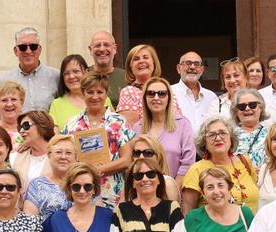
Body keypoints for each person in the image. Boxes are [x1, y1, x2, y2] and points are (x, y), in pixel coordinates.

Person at [62, 72, 134, 210]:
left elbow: (127, 159)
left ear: (106, 94)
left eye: (100, 92)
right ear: (82, 94)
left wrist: (99, 170)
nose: (95, 97)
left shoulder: (118, 121)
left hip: (113, 193)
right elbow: (64, 158)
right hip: (79, 191)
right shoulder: (71, 124)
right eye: (90, 92)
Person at [182, 116, 259, 213]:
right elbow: (188, 212)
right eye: (212, 135)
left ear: (231, 138)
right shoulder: (196, 169)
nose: (218, 138)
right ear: (204, 142)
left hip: (252, 226)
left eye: (223, 133)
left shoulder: (244, 161)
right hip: (213, 227)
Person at [133, 77, 196, 178]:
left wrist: (173, 189)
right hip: (145, 188)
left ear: (169, 98)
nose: (156, 98)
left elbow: (187, 163)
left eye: (162, 94)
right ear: (145, 98)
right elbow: (134, 164)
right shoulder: (137, 128)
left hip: (176, 189)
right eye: (151, 93)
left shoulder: (183, 124)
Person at [116, 44, 182, 126]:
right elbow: (130, 130)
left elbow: (179, 123)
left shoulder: (167, 91)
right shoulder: (129, 92)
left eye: (145, 57)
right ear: (130, 67)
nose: (141, 61)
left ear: (154, 62)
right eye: (136, 59)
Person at [0, 27, 59, 112]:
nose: (28, 51)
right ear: (15, 51)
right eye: (23, 47)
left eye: (33, 46)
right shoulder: (4, 80)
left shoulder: (56, 76)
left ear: (40, 50)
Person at [49, 54, 111, 132]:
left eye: (76, 71)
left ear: (86, 72)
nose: (71, 76)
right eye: (66, 73)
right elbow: (55, 137)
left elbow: (115, 126)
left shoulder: (102, 99)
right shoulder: (56, 104)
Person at [172, 51, 218, 135]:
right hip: (179, 147)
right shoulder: (169, 93)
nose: (192, 67)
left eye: (197, 64)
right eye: (188, 63)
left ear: (202, 70)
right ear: (179, 68)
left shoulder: (211, 97)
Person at [128, 135, 181, 201]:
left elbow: (170, 210)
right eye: (136, 153)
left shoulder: (167, 183)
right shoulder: (130, 181)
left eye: (148, 153)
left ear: (159, 157)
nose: (141, 157)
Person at [231, 88, 270, 169]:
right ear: (236, 111)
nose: (247, 109)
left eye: (252, 105)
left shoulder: (271, 134)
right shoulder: (230, 136)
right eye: (242, 106)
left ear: (261, 108)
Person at [12, 110, 55, 183]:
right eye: (20, 127)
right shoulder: (15, 158)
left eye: (26, 125)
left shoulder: (60, 154)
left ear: (42, 125)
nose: (21, 130)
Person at [88, 31, 126, 105]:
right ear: (90, 50)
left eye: (106, 45)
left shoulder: (126, 77)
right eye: (97, 45)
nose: (102, 49)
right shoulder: (83, 75)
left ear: (114, 49)